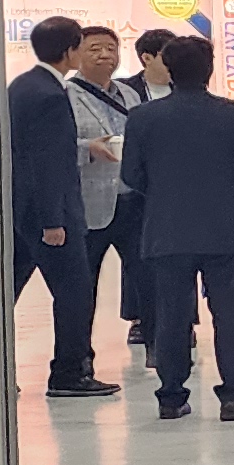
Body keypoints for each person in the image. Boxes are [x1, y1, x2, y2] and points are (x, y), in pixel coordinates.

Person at [119, 34, 234, 421]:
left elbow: (131, 174)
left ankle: (171, 397)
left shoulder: (143, 117)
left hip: (166, 229)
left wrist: (163, 196)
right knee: (230, 316)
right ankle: (233, 396)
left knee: (171, 316)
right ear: (210, 68)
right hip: (224, 229)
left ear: (168, 69)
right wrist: (227, 195)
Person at [3, 14, 117, 399]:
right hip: (49, 214)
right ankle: (69, 373)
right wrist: (53, 220)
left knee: (6, 289)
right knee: (75, 293)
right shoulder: (51, 95)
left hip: (22, 210)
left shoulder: (23, 85)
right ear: (70, 50)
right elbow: (48, 163)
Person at [65, 27, 138, 335]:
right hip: (87, 204)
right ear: (76, 54)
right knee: (81, 287)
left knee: (144, 277)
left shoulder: (130, 94)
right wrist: (88, 149)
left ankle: (153, 342)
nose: (105, 55)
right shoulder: (64, 95)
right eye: (95, 49)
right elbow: (51, 148)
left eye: (111, 48)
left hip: (132, 200)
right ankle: (80, 353)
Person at [113, 28, 178, 346]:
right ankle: (139, 317)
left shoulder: (187, 87)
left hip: (175, 187)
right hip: (136, 188)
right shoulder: (124, 92)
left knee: (180, 255)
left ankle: (182, 319)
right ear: (146, 58)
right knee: (137, 256)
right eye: (168, 55)